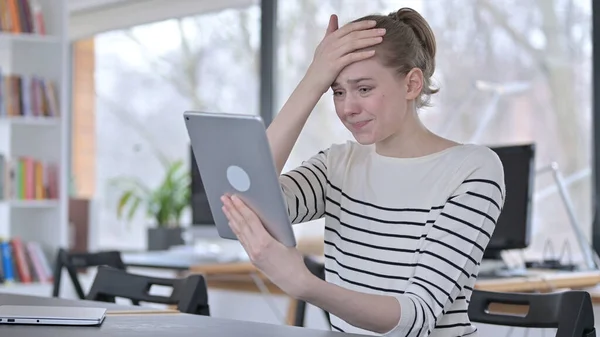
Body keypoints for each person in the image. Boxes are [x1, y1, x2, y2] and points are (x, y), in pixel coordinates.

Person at [220, 7, 504, 337]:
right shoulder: (337, 165)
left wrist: (304, 285)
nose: (347, 108)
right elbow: (245, 196)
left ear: (412, 84)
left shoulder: (471, 170)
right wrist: (313, 80)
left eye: (364, 89)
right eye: (337, 91)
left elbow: (415, 319)